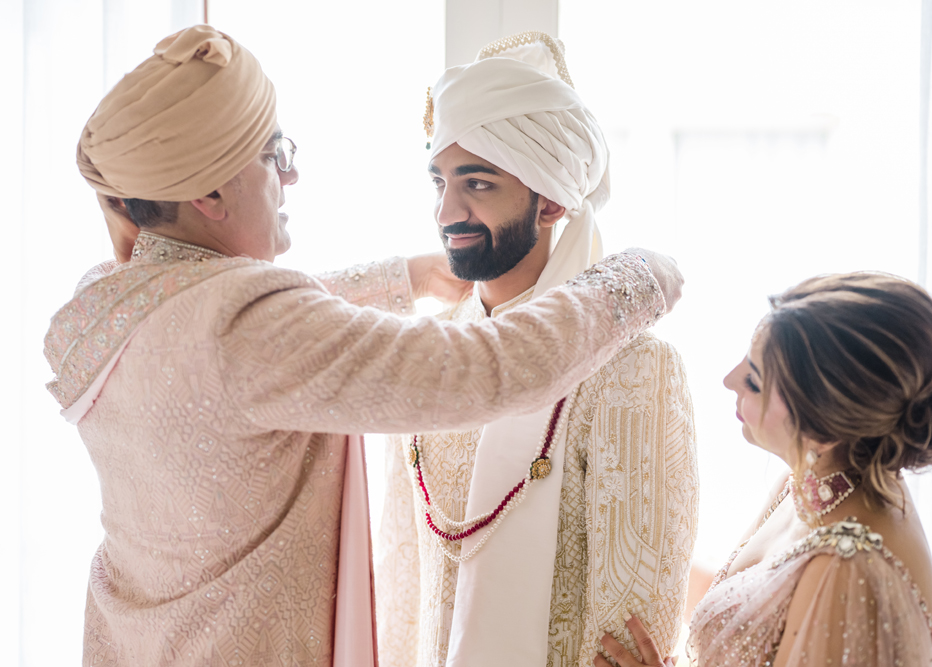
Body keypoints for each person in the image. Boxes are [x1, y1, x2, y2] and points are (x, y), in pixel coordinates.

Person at [45, 25, 685, 667]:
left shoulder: (106, 301)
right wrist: (641, 275)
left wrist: (400, 278)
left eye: (479, 182)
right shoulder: (245, 327)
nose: (291, 175)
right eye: (273, 156)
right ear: (208, 193)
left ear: (552, 203)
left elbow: (227, 319)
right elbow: (484, 371)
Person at [375, 32, 698, 667]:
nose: (447, 211)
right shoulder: (428, 350)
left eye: (479, 184)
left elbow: (634, 622)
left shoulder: (632, 367)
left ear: (550, 202)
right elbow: (402, 584)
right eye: (439, 181)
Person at [597, 272, 932, 667]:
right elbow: (741, 618)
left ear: (823, 427)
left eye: (754, 381)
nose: (729, 379)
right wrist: (619, 553)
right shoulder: (813, 484)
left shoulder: (847, 570)